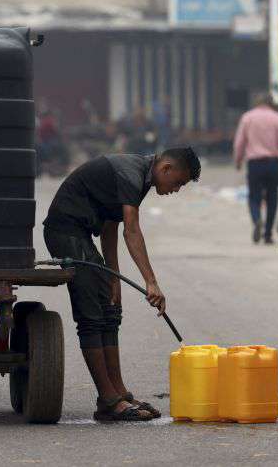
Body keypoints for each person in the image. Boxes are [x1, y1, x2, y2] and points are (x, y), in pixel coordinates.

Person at [43, 146, 201, 422]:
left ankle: (119, 393)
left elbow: (109, 227)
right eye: (178, 182)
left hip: (83, 234)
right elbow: (131, 229)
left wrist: (113, 276)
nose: (176, 189)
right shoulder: (132, 172)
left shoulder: (141, 177)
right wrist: (151, 282)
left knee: (110, 309)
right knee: (92, 316)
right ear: (165, 168)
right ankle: (108, 400)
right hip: (65, 231)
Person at [234, 94, 278, 245]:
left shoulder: (247, 118)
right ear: (272, 104)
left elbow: (240, 142)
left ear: (256, 103)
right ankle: (267, 234)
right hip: (274, 164)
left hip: (255, 164)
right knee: (272, 198)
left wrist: (238, 160)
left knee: (254, 196)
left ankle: (256, 220)